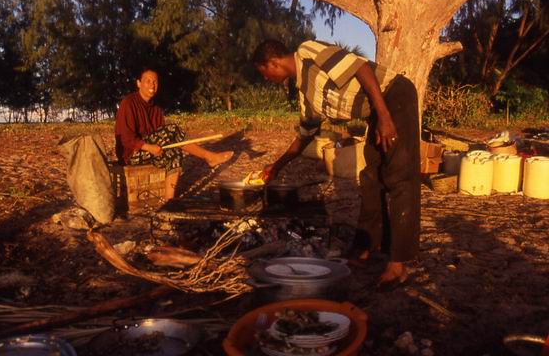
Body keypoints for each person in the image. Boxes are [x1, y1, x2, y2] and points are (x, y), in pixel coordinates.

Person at [253, 40, 420, 289]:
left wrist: (384, 116)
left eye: (264, 72)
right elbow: (305, 135)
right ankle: (367, 246)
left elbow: (360, 68)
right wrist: (277, 166)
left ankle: (399, 264)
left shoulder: (308, 52)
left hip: (394, 96)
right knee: (371, 178)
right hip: (377, 110)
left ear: (273, 62)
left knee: (399, 176)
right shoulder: (305, 95)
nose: (266, 79)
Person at [115, 69, 233, 200]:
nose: (152, 85)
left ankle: (169, 202)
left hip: (152, 150)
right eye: (147, 81)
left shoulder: (156, 109)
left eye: (155, 82)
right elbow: (126, 139)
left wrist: (156, 146)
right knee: (173, 129)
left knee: (175, 153)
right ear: (138, 83)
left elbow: (161, 137)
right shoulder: (129, 103)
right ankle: (209, 156)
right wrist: (149, 147)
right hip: (131, 154)